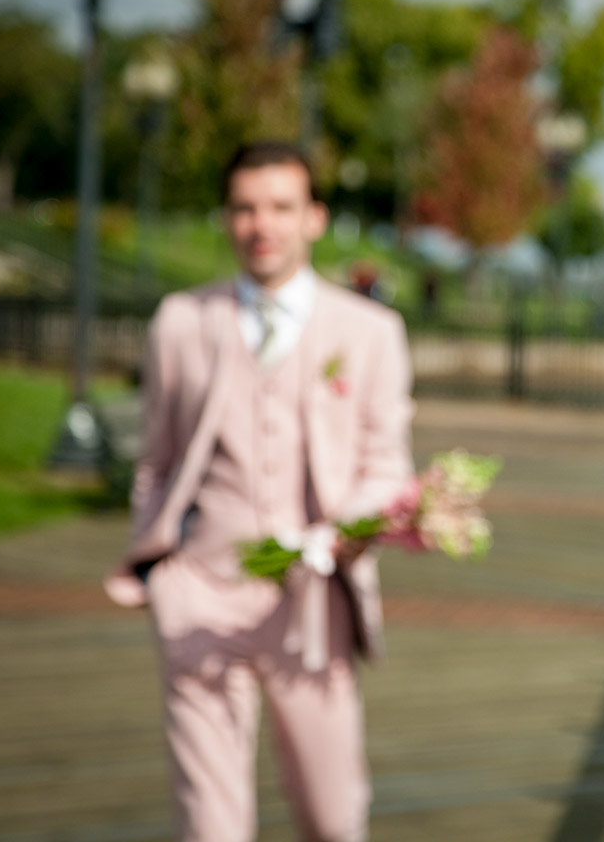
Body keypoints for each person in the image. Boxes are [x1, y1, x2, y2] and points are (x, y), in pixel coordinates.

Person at [103, 141, 415, 842]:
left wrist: (337, 535)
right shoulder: (181, 320)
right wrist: (162, 572)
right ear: (226, 218)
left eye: (280, 206)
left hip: (314, 606)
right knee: (211, 826)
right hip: (201, 594)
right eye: (244, 208)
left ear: (314, 218)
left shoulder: (371, 332)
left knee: (332, 817)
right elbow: (157, 461)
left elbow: (386, 466)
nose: (261, 224)